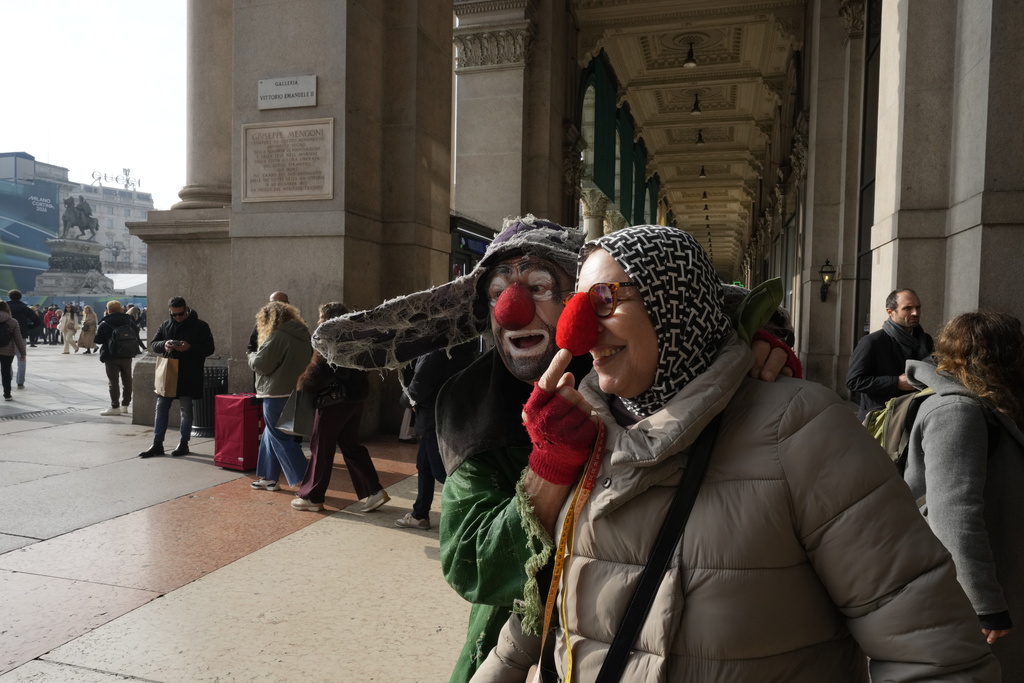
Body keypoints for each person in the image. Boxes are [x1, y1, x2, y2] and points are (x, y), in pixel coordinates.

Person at [474, 225, 998, 681]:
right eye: (578, 304)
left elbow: (930, 648)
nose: (578, 329)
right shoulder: (584, 432)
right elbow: (546, 606)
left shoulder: (802, 429)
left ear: (672, 303)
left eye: (605, 300)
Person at [312, 215, 798, 682]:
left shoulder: (630, 370)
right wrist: (550, 467)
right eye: (498, 294)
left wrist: (739, 353)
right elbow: (472, 565)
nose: (512, 310)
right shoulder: (472, 404)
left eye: (540, 287)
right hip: (521, 641)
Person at [904, 310, 1024, 676]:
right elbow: (955, 516)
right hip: (975, 599)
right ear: (1000, 357)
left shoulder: (980, 403)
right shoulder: (958, 411)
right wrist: (985, 602)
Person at [291, 302, 391, 513]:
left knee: (321, 448)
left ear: (328, 318)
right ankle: (374, 491)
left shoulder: (329, 336)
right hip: (354, 400)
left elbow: (319, 370)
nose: (318, 321)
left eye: (320, 317)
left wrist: (304, 383)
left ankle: (311, 497)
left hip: (333, 402)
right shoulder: (357, 335)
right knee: (351, 446)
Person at [394, 341, 478, 530]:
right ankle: (419, 514)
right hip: (450, 414)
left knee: (442, 472)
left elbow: (420, 385)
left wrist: (407, 400)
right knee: (424, 466)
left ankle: (470, 515)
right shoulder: (463, 346)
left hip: (434, 417)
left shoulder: (435, 350)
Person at [247, 301, 313, 491]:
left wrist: (250, 355)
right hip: (297, 391)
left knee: (280, 437)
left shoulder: (277, 335)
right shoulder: (303, 334)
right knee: (271, 433)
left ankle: (306, 479)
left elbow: (261, 364)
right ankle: (269, 477)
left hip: (276, 393)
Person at [139, 297, 216, 458]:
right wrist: (165, 344)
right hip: (169, 374)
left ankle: (184, 443)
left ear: (186, 309)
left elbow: (209, 349)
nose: (178, 318)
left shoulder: (201, 326)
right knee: (161, 408)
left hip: (189, 374)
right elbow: (154, 344)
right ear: (170, 311)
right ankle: (157, 443)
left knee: (186, 410)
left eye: (180, 314)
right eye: (174, 315)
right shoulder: (166, 325)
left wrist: (190, 347)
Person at [847, 288, 933, 421]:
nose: (915, 313)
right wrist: (895, 383)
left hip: (916, 415)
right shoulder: (872, 342)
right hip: (882, 419)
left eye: (918, 307)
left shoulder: (925, 340)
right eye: (907, 308)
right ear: (890, 312)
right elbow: (854, 381)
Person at [94, 300, 146, 416]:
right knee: (127, 380)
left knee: (113, 381)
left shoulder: (105, 323)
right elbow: (136, 334)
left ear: (108, 310)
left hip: (111, 355)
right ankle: (125, 405)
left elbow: (98, 340)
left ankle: (115, 406)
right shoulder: (129, 320)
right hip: (127, 354)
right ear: (121, 309)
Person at [6, 290, 41, 389]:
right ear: (20, 297)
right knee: (21, 358)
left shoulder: (5, 308)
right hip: (21, 335)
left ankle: (8, 379)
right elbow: (37, 321)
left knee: (7, 359)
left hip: (6, 336)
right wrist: (28, 327)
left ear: (9, 297)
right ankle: (20, 382)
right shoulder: (25, 308)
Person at [0, 301, 27, 400]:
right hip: (8, 350)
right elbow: (18, 339)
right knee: (6, 372)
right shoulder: (13, 321)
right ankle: (7, 394)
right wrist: (23, 353)